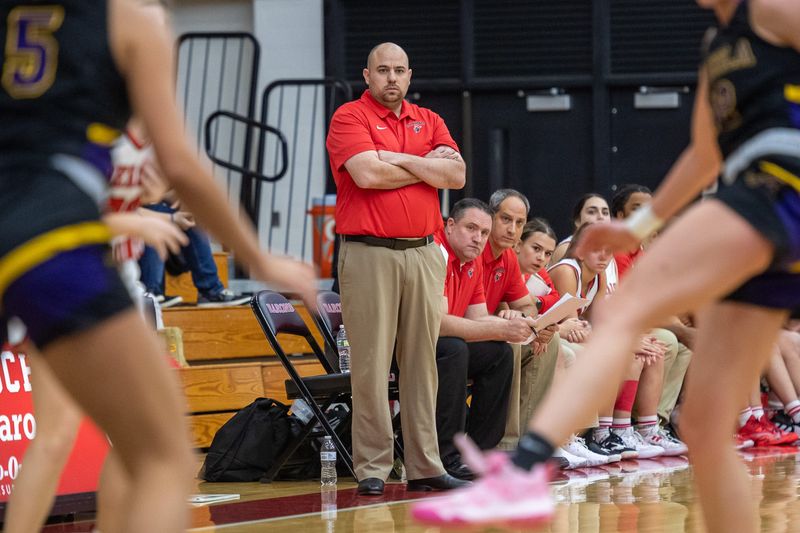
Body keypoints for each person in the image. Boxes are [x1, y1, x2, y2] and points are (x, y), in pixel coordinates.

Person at [413, 0, 800, 530]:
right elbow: (705, 154)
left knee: (623, 310)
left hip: (778, 192)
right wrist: (635, 229)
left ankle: (524, 469)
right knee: (709, 427)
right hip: (768, 218)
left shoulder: (774, 9)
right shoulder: (717, 45)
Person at [0, 2, 316, 532]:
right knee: (163, 454)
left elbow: (157, 178)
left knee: (126, 444)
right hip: (59, 248)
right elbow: (182, 163)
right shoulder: (133, 23)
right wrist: (258, 257)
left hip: (44, 247)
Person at [325, 42, 467, 495]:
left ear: (410, 76)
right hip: (368, 253)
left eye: (399, 70)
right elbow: (366, 175)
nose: (391, 78)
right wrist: (427, 168)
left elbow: (457, 177)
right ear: (366, 75)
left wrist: (399, 159)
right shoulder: (350, 117)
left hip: (424, 252)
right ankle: (373, 466)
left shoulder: (432, 120)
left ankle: (425, 465)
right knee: (370, 363)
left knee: (422, 363)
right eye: (382, 70)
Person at [433, 198, 527, 480]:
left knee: (498, 353)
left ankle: (480, 451)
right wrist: (500, 329)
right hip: (411, 348)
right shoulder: (435, 253)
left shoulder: (471, 262)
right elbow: (437, 324)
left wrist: (520, 324)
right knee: (455, 348)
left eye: (484, 233)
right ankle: (446, 456)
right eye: (471, 228)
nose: (478, 238)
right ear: (450, 226)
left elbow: (479, 317)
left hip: (444, 346)